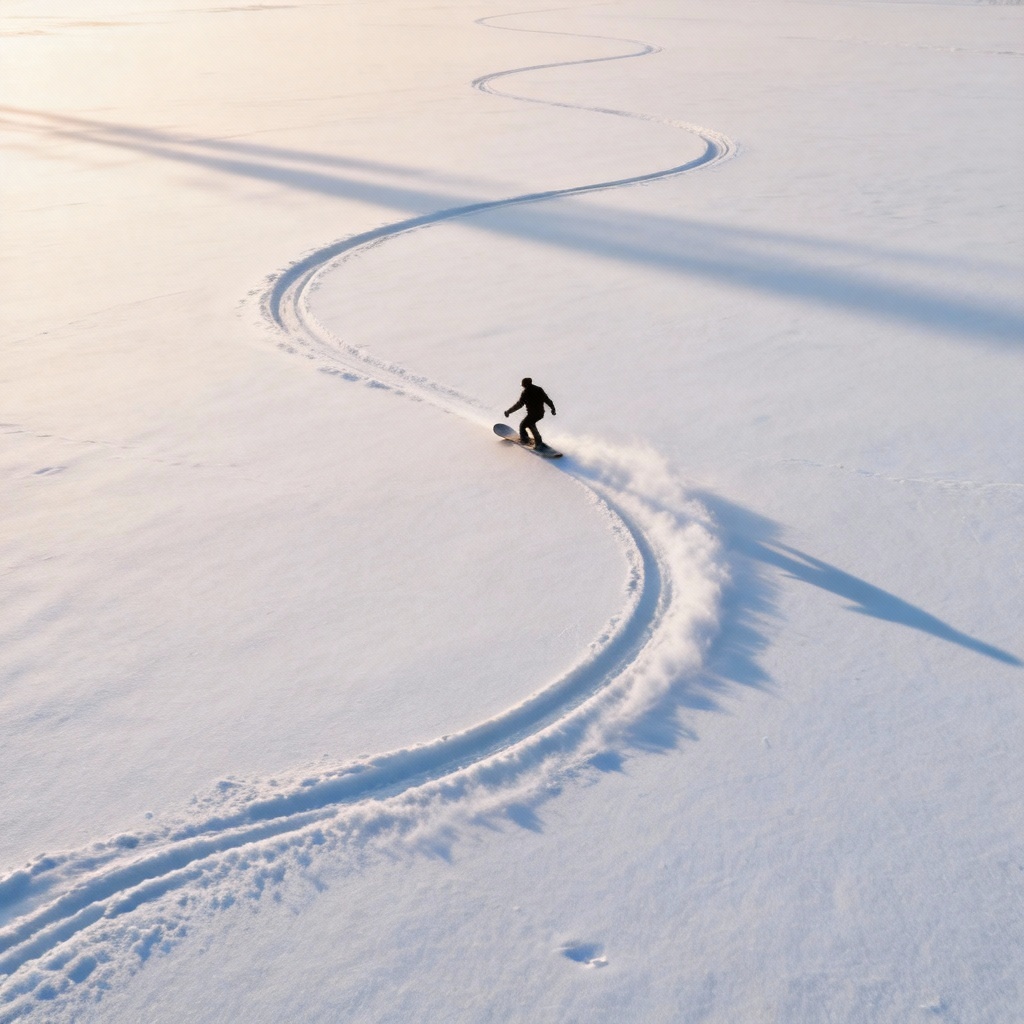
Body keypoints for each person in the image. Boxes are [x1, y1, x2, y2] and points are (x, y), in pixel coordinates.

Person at [504, 377, 556, 447]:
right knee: (529, 424)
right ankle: (536, 440)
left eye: (523, 384)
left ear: (526, 384)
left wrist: (508, 412)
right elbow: (547, 400)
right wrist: (553, 408)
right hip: (540, 413)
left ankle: (526, 440)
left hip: (533, 414)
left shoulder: (525, 393)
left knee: (523, 425)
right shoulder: (539, 389)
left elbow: (519, 405)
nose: (522, 386)